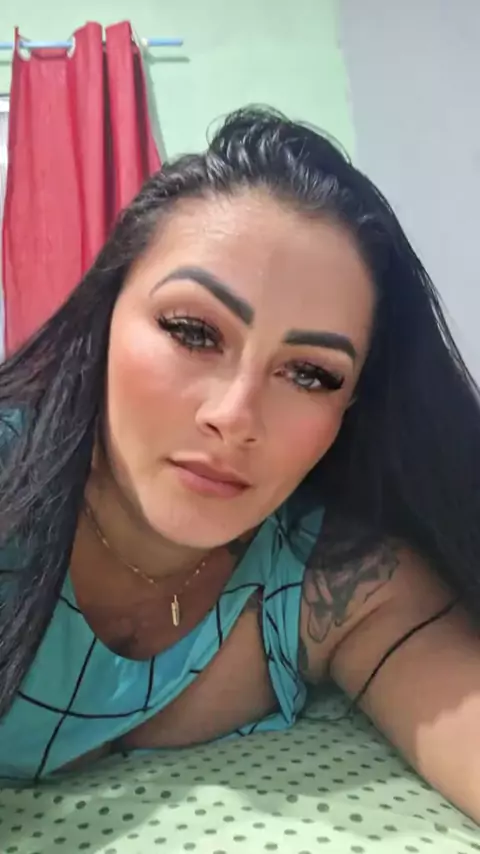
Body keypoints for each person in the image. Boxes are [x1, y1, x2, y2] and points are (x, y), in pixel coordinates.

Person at [0, 107, 479, 822]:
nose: (235, 415)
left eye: (310, 374)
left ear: (351, 407)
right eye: (193, 331)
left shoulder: (333, 585)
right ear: (107, 316)